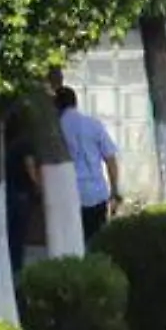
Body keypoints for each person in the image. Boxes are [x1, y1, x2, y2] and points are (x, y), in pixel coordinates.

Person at [56, 86, 121, 241]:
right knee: (97, 241)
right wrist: (115, 191)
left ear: (56, 105)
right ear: (75, 102)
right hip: (97, 192)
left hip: (69, 194)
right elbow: (110, 159)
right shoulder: (93, 124)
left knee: (73, 242)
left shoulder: (57, 128)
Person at [2, 108, 40, 275]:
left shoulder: (6, 143)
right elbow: (30, 167)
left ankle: (10, 269)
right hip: (22, 193)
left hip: (7, 191)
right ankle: (16, 271)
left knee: (10, 235)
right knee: (18, 236)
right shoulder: (25, 143)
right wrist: (39, 186)